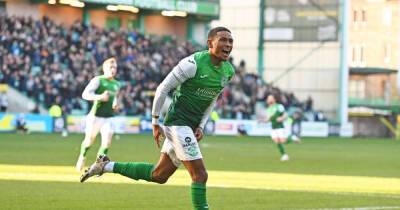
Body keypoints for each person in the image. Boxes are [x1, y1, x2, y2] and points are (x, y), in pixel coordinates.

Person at [80, 27, 235, 210]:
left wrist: (201, 125)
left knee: (159, 175)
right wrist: (155, 122)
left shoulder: (228, 71)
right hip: (177, 123)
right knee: (200, 175)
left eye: (230, 41)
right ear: (210, 43)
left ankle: (105, 166)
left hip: (190, 126)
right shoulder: (192, 64)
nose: (228, 44)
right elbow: (163, 88)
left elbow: (213, 98)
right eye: (223, 40)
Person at [75, 57, 120, 172]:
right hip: (95, 116)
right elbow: (85, 94)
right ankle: (82, 157)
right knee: (89, 140)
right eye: (111, 67)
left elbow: (114, 97)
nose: (113, 69)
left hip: (108, 117)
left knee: (107, 140)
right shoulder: (98, 80)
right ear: (105, 68)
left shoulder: (116, 84)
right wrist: (100, 97)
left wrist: (115, 103)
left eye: (115, 67)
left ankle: (98, 165)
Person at [260, 94, 300, 161]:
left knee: (282, 141)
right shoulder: (268, 109)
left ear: (274, 99)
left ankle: (291, 138)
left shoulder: (279, 106)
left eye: (270, 98)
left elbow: (285, 114)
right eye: (268, 98)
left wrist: (281, 118)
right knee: (276, 141)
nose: (268, 99)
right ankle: (284, 155)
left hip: (280, 126)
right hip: (273, 127)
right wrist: (262, 121)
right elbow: (269, 119)